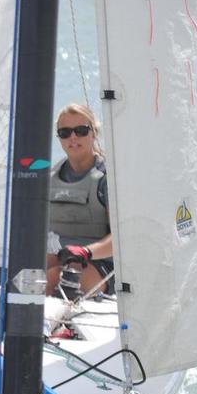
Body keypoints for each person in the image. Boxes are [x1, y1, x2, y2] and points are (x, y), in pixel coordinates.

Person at [47, 103, 114, 297]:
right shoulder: (50, 177)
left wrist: (86, 252)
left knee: (53, 279)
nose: (73, 137)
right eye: (65, 132)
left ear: (94, 133)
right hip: (60, 257)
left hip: (100, 266)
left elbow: (121, 238)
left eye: (81, 130)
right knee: (26, 279)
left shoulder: (107, 178)